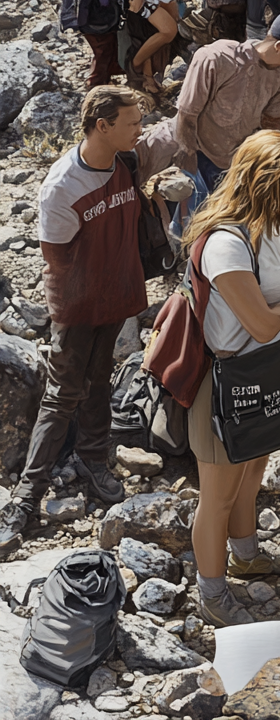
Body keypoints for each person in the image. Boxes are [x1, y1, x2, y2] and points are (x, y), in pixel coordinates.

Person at [182, 130, 280, 626]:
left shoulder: (263, 221)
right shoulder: (226, 245)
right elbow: (263, 321)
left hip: (258, 372)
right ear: (272, 184)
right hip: (226, 380)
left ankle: (247, 556)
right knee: (218, 495)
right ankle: (212, 593)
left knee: (251, 473)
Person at [0, 88, 147, 558]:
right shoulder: (62, 187)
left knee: (101, 380)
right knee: (63, 392)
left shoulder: (126, 159)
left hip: (117, 295)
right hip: (79, 307)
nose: (139, 129)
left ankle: (92, 457)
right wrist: (69, 318)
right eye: (131, 122)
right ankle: (28, 495)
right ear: (102, 126)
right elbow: (56, 263)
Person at [174, 9, 280, 197]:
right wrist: (187, 154)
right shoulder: (218, 58)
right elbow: (187, 112)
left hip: (238, 160)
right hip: (198, 152)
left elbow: (274, 121)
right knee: (190, 216)